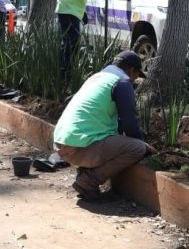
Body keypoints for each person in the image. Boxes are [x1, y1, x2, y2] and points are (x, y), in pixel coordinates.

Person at [53, 51, 154, 200]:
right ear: (132, 70)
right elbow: (129, 123)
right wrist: (143, 145)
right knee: (136, 148)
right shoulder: (122, 82)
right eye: (136, 76)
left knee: (111, 137)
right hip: (78, 146)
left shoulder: (97, 77)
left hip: (62, 142)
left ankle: (84, 173)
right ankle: (88, 181)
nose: (134, 81)